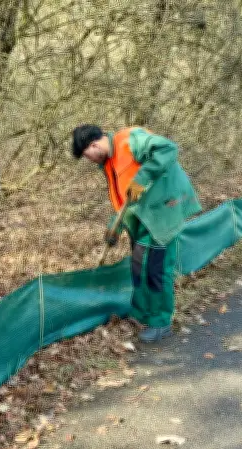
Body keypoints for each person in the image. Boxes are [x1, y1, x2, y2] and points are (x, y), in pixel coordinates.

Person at [71, 125, 202, 343]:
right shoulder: (109, 163)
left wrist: (143, 178)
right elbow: (126, 198)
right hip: (143, 215)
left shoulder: (131, 140)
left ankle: (161, 323)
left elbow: (168, 149)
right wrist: (116, 225)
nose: (89, 160)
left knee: (156, 268)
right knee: (138, 264)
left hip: (164, 211)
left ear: (94, 145)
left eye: (87, 156)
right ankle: (142, 313)